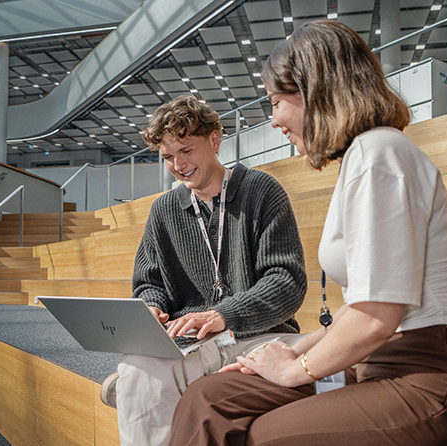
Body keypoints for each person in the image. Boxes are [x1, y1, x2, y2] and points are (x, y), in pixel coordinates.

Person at [166, 21, 447, 446]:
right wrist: (294, 349)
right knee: (209, 399)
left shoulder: (380, 154)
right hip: (376, 363)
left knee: (263, 437)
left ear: (314, 92)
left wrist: (293, 369)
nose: (273, 121)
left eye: (276, 103)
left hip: (430, 382)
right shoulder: (361, 157)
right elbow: (360, 308)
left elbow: (377, 318)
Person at [108, 95, 309, 446]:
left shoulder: (261, 191)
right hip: (194, 342)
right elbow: (149, 283)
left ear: (214, 140)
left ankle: (130, 390)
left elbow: (286, 283)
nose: (178, 165)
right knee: (138, 365)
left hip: (261, 336)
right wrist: (152, 306)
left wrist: (223, 315)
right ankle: (133, 386)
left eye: (185, 151)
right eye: (167, 157)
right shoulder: (164, 210)